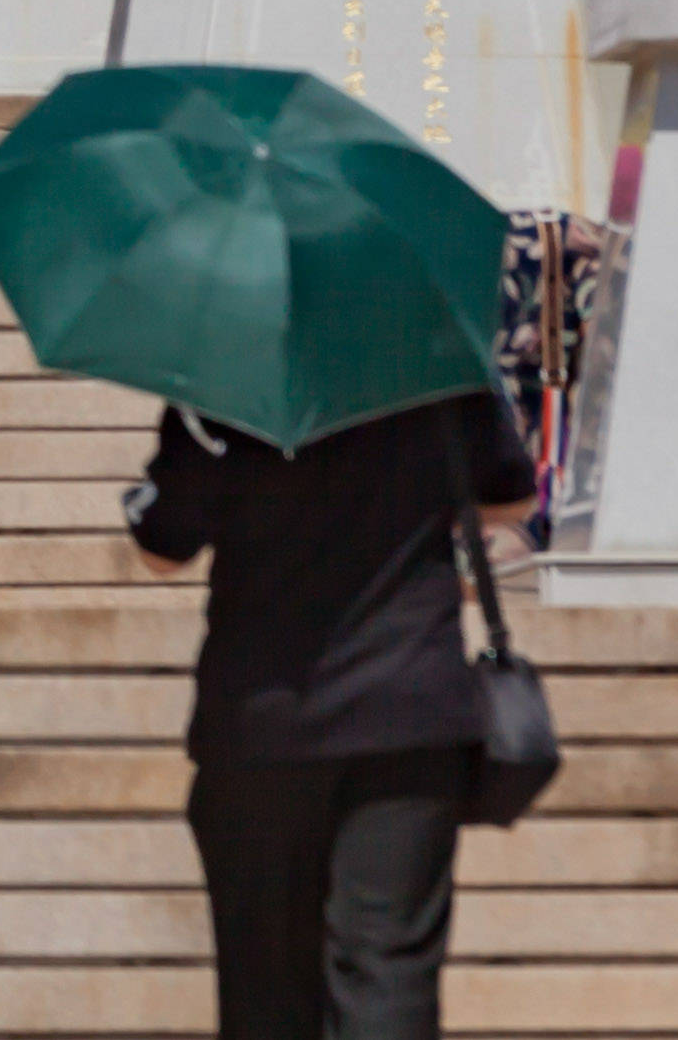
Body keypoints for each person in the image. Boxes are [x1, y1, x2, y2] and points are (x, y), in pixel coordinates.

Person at [131, 384, 543, 1040]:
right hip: (407, 715)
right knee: (389, 974)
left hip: (261, 725)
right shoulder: (436, 366)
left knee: (264, 985)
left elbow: (161, 548)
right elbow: (513, 496)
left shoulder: (223, 388)